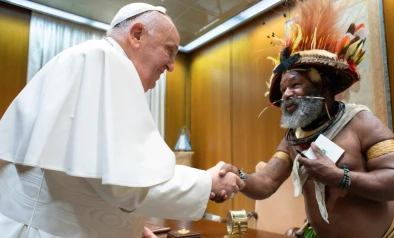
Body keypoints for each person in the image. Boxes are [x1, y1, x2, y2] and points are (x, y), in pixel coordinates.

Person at [0, 3, 243, 238]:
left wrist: (128, 227)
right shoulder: (105, 59)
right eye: (169, 50)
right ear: (137, 35)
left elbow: (87, 179)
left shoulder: (89, 58)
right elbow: (125, 184)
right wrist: (206, 182)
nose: (171, 66)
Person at [211, 1, 394, 237]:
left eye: (295, 85)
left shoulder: (360, 121)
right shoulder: (293, 138)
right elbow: (266, 182)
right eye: (283, 90)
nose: (286, 94)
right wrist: (238, 177)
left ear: (321, 87)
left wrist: (338, 177)